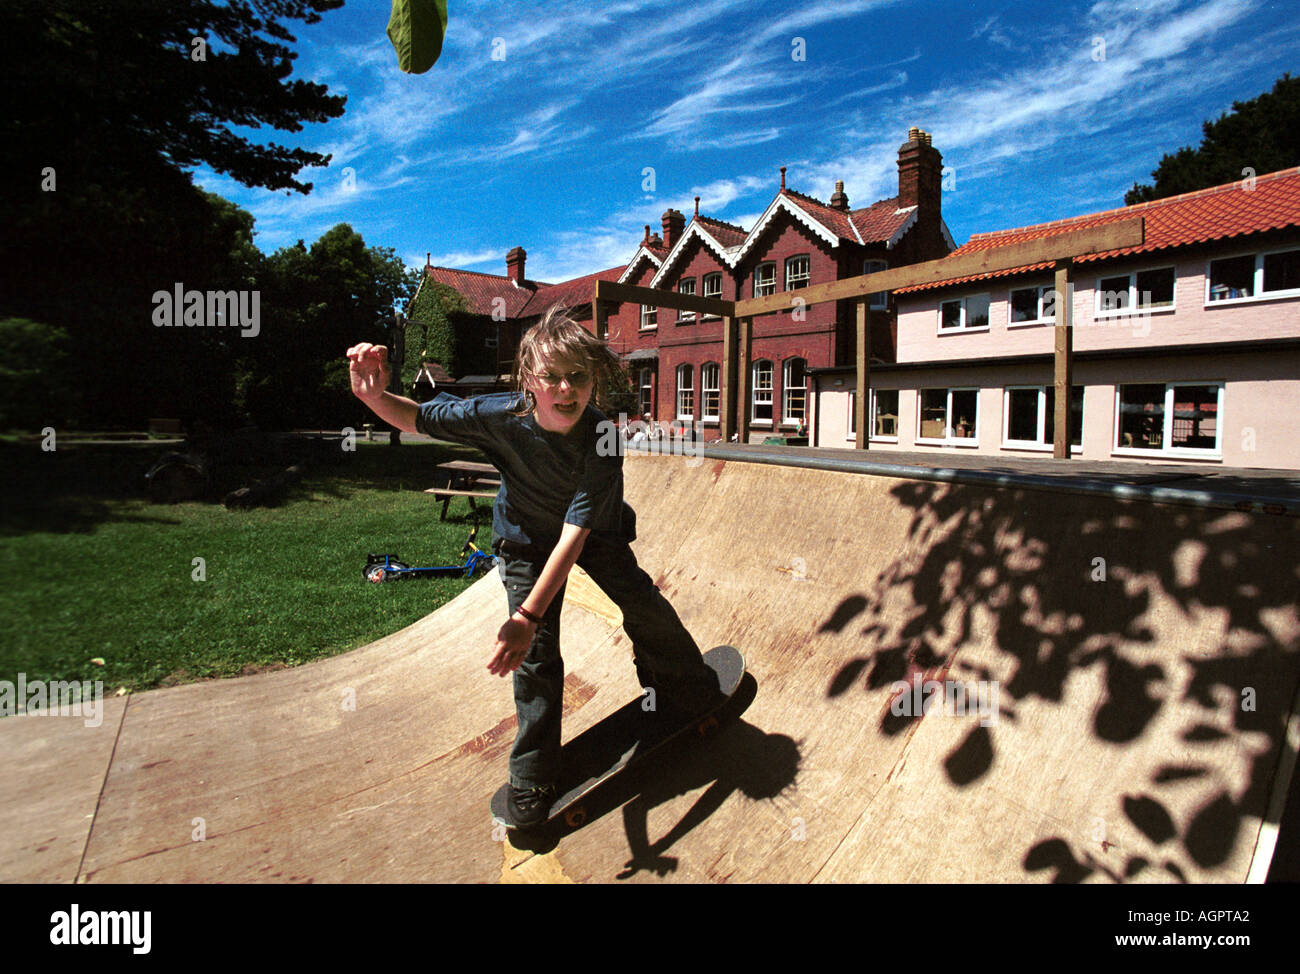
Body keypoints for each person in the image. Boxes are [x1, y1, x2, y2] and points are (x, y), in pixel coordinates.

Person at [346, 307, 722, 827]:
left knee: (643, 605)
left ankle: (678, 677)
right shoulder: (496, 415)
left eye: (578, 377)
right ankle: (532, 774)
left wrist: (525, 614)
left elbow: (576, 533)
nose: (565, 390)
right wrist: (373, 397)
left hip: (594, 535)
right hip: (524, 542)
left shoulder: (602, 436)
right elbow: (414, 417)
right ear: (528, 379)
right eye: (550, 377)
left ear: (594, 378)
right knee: (537, 658)